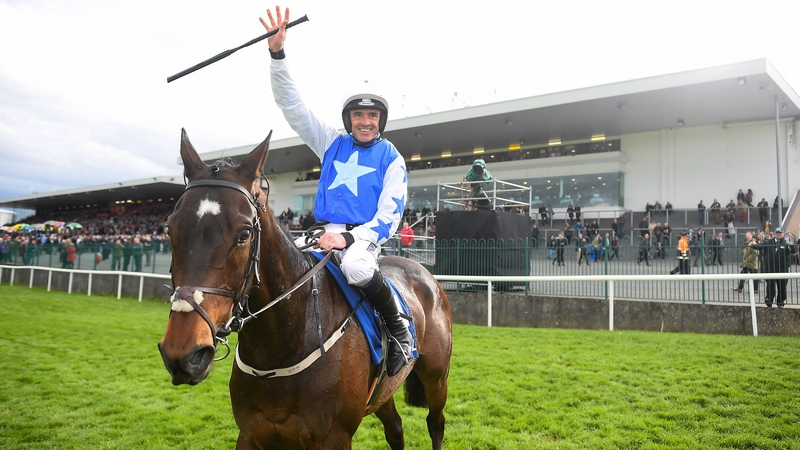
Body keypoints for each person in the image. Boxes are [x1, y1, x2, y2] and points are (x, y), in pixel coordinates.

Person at [263, 6, 412, 375]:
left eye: (372, 116)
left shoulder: (392, 158)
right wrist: (277, 55)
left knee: (359, 268)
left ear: (380, 120)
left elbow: (389, 217)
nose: (365, 121)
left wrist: (348, 238)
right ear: (349, 119)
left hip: (362, 240)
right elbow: (292, 106)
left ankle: (400, 331)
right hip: (319, 234)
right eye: (358, 116)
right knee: (275, 268)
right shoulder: (331, 142)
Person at [755, 227, 795, 308]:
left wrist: (792, 246)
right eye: (777, 233)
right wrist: (753, 245)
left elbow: (793, 251)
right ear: (774, 234)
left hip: (782, 268)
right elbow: (760, 247)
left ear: (783, 234)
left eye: (780, 233)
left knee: (782, 286)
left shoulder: (786, 243)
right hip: (770, 268)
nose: (778, 234)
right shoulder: (769, 242)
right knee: (770, 285)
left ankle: (780, 302)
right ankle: (769, 300)